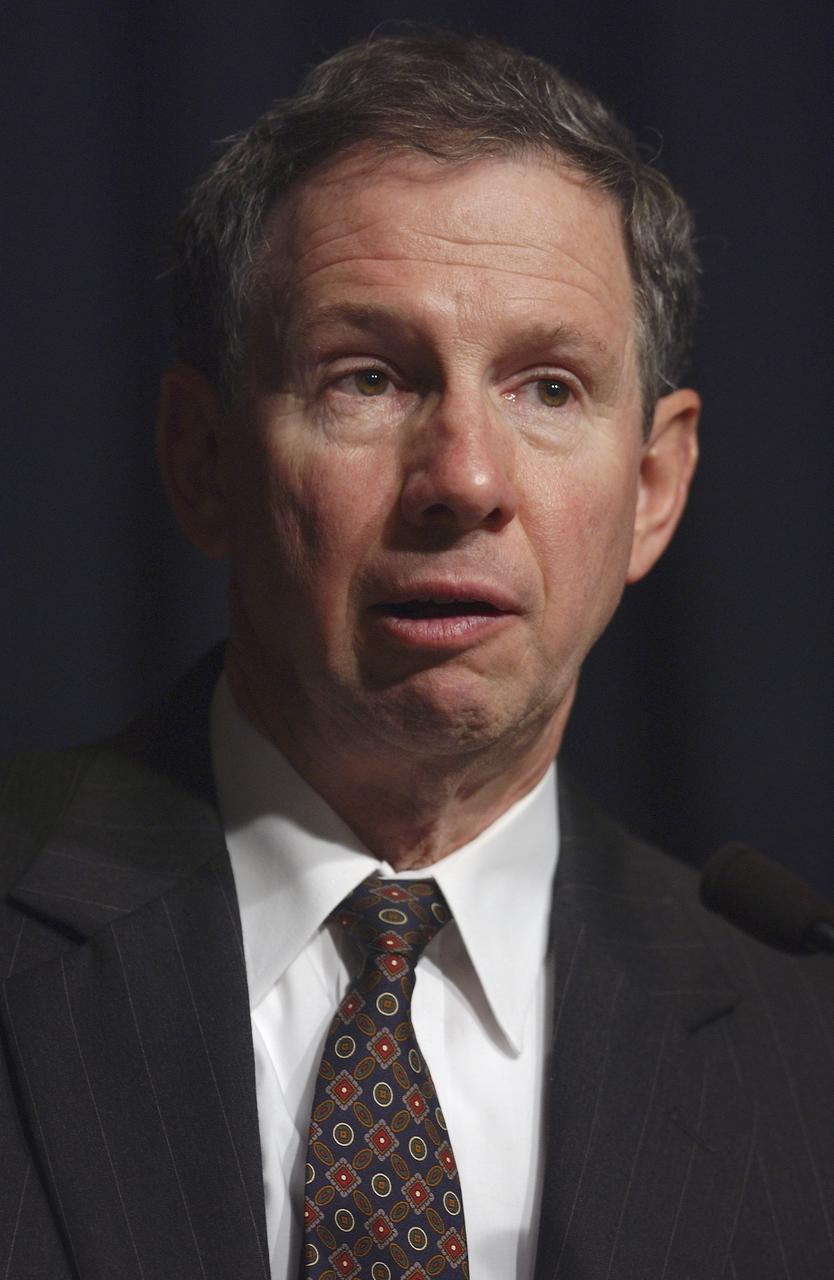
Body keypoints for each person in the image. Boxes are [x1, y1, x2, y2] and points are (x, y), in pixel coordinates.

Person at [1, 30, 832, 1280]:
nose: (467, 478)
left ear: (654, 488)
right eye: (370, 377)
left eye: (549, 387)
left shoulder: (806, 1038)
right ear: (201, 459)